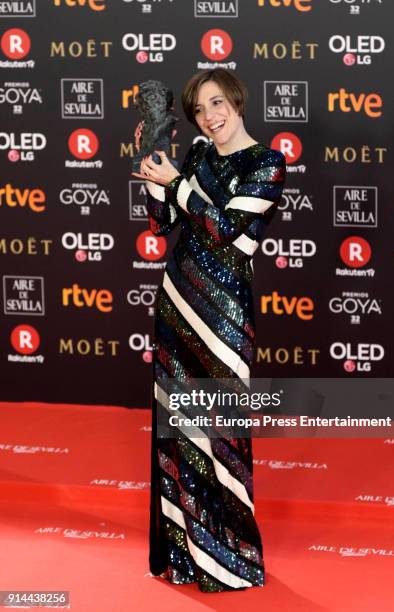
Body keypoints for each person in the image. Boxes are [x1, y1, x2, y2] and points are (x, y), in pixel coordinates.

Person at [132, 68, 286, 592]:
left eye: (216, 103)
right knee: (180, 434)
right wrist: (155, 169)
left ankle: (231, 559)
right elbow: (163, 225)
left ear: (237, 101)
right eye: (199, 110)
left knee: (221, 433)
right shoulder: (196, 155)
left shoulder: (268, 163)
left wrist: (176, 183)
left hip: (224, 319)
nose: (209, 117)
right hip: (176, 306)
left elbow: (225, 231)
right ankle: (185, 557)